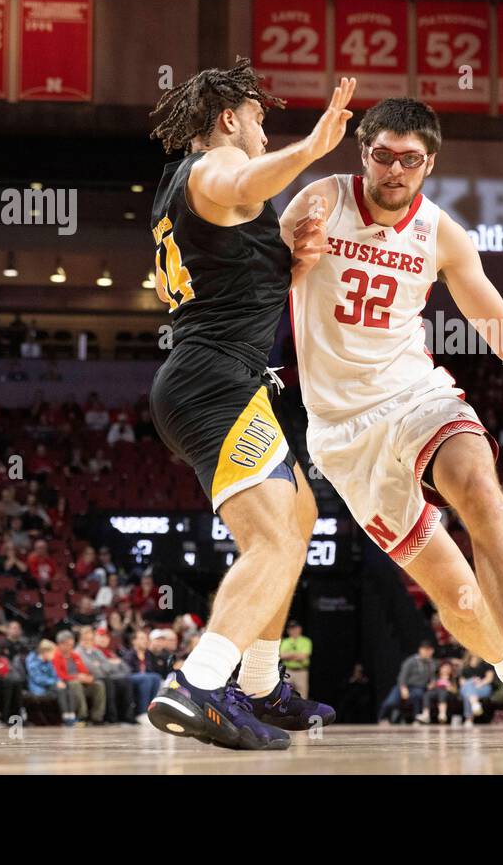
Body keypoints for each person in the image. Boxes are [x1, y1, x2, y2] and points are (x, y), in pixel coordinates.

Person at [283, 97, 503, 746]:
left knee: (480, 489)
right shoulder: (320, 200)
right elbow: (261, 281)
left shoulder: (441, 233)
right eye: (383, 155)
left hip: (416, 395)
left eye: (410, 159)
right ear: (365, 153)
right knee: (459, 596)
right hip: (341, 435)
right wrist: (290, 262)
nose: (395, 170)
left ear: (429, 163)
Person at [143, 63, 355, 751]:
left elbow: (220, 283)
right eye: (260, 116)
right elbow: (236, 183)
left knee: (301, 515)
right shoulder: (213, 169)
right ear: (229, 117)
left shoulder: (183, 193)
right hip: (214, 380)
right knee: (273, 539)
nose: (266, 130)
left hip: (223, 375)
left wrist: (289, 263)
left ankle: (261, 682)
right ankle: (197, 682)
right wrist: (313, 148)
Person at [52, 629, 105, 725]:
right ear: (61, 644)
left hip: (81, 683)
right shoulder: (55, 656)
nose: (71, 647)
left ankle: (97, 717)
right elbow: (59, 675)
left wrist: (89, 678)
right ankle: (82, 715)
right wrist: (77, 677)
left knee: (98, 685)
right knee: (75, 683)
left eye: (72, 644)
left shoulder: (75, 655)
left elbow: (83, 671)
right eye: (68, 644)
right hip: (67, 685)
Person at [378, 640, 437, 723]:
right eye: (425, 650)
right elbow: (402, 676)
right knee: (391, 702)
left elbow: (433, 677)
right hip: (404, 686)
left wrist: (432, 683)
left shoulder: (432, 664)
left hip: (419, 687)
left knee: (418, 695)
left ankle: (416, 719)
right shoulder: (411, 661)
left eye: (429, 650)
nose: (428, 652)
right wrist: (403, 688)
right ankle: (382, 718)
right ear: (420, 650)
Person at [279, 620, 312, 700]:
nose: (293, 630)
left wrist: (289, 655)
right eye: (291, 628)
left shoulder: (306, 641)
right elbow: (281, 655)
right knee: (285, 694)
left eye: (295, 628)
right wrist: (296, 655)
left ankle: (302, 712)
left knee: (302, 695)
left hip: (301, 671)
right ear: (288, 630)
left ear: (300, 629)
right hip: (288, 671)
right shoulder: (285, 641)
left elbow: (303, 656)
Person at [457, 653, 495, 721]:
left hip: (483, 687)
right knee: (468, 686)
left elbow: (489, 678)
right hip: (467, 687)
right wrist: (472, 681)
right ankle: (475, 704)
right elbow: (461, 682)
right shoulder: (465, 665)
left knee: (468, 694)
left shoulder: (486, 663)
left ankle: (469, 719)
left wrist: (481, 683)